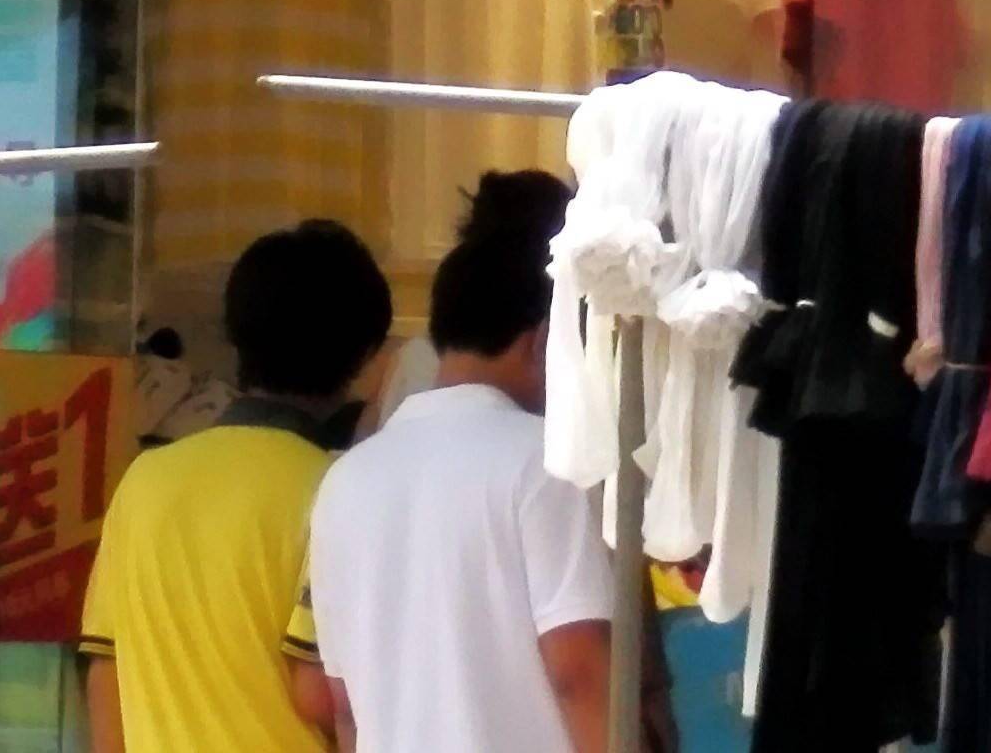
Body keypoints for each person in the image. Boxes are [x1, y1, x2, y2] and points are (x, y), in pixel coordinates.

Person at [298, 172, 613, 753]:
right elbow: (579, 673)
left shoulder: (343, 482)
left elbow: (342, 705)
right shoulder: (543, 463)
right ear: (544, 340)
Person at [80, 221, 394, 753]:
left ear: (235, 335)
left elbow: (105, 673)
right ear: (364, 357)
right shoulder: (342, 491)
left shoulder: (145, 480)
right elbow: (330, 696)